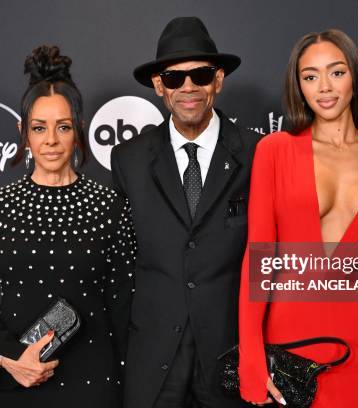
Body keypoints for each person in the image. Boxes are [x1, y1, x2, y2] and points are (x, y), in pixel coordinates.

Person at [238, 30, 358, 407]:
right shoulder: (275, 151)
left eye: (336, 72)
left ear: (355, 77)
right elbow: (258, 259)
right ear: (298, 86)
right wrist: (252, 361)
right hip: (292, 345)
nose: (324, 87)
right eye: (310, 76)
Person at [0, 45, 135, 407]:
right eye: (39, 128)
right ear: (23, 131)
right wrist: (11, 358)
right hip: (14, 382)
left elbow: (124, 310)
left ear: (79, 129)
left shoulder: (111, 207)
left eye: (63, 127)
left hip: (94, 385)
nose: (51, 141)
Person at [110, 17, 261, 408]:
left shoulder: (258, 154)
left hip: (232, 359)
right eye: (174, 78)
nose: (188, 87)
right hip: (154, 359)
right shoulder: (128, 160)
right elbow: (115, 262)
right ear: (159, 86)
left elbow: (287, 251)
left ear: (219, 79)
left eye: (201, 74)